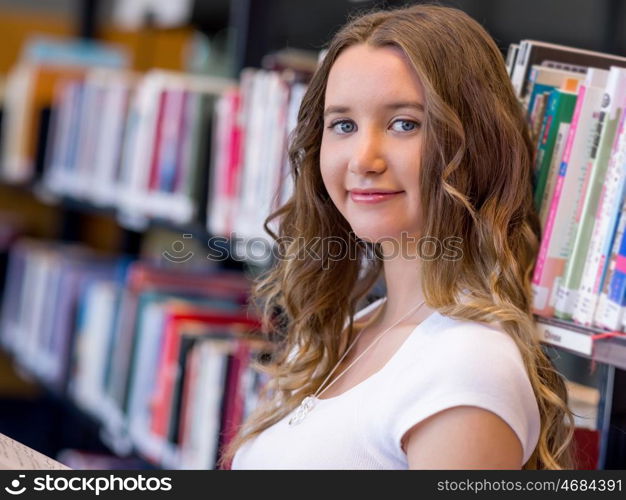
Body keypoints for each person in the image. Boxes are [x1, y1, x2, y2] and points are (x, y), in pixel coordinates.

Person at [223, 3, 574, 469]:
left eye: (404, 124)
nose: (363, 159)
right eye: (343, 125)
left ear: (477, 144)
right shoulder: (350, 330)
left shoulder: (467, 367)